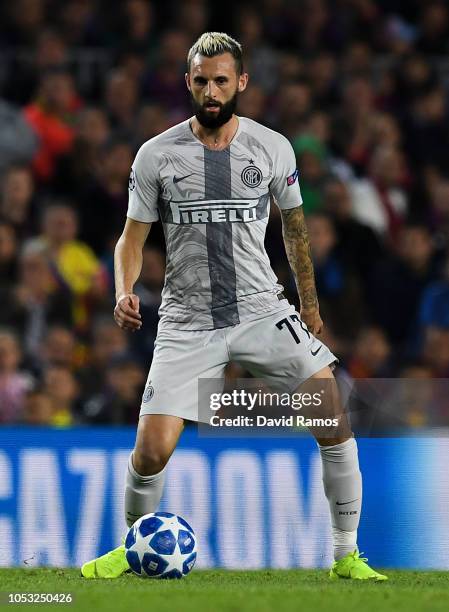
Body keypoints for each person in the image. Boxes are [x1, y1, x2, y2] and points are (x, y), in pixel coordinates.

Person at [81, 32, 387, 581]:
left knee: (336, 418)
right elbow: (131, 239)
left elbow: (296, 234)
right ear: (188, 84)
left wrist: (309, 309)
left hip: (261, 310)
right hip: (186, 319)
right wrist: (124, 291)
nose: (211, 90)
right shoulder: (156, 154)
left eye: (222, 80)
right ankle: (132, 551)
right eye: (201, 81)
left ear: (241, 82)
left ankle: (346, 556)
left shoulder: (273, 148)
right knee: (150, 453)